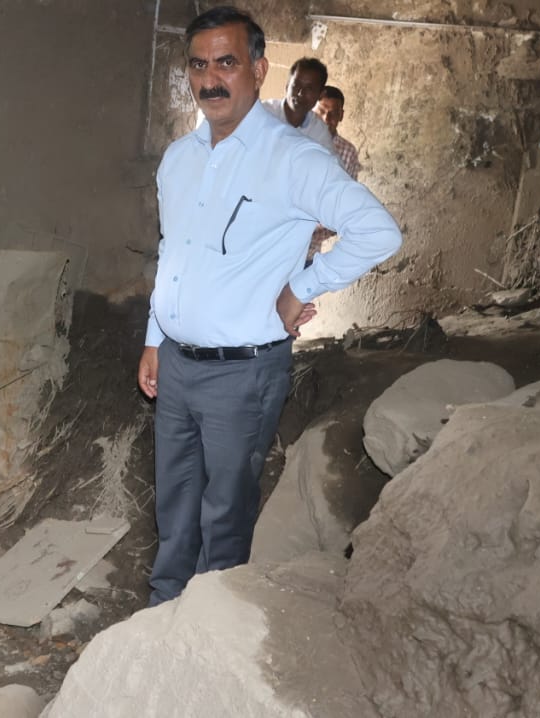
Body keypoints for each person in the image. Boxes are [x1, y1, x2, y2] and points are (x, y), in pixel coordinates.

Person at [137, 6, 401, 606]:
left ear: (258, 70)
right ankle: (160, 620)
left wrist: (303, 287)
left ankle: (208, 631)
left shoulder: (293, 157)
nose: (211, 78)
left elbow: (377, 231)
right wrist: (156, 337)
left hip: (243, 372)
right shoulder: (179, 159)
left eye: (226, 62)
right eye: (199, 64)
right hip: (177, 365)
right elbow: (171, 251)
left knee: (223, 514)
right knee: (175, 507)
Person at [309, 85, 363, 258]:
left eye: (333, 114)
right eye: (321, 111)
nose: (326, 119)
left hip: (309, 253)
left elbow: (342, 206)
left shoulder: (347, 153)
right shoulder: (293, 140)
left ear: (341, 115)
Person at [259, 57, 333, 151]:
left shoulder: (318, 131)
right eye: (296, 85)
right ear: (287, 86)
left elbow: (332, 162)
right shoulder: (263, 113)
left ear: (320, 94)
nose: (300, 93)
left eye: (309, 88)